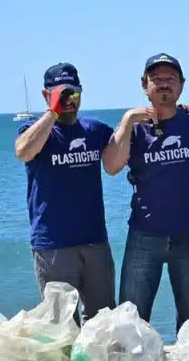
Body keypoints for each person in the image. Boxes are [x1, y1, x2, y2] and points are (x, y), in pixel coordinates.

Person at [103, 53, 189, 333]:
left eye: (170, 79)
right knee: (131, 317)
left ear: (182, 85)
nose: (164, 84)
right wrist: (127, 120)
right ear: (145, 86)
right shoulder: (134, 128)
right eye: (156, 80)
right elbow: (111, 166)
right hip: (145, 235)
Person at [14, 62, 116, 324]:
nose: (69, 100)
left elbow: (120, 155)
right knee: (60, 323)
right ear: (46, 95)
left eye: (74, 93)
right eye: (62, 94)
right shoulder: (34, 132)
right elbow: (23, 151)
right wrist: (52, 112)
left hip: (95, 240)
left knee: (103, 320)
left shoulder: (95, 131)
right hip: (53, 244)